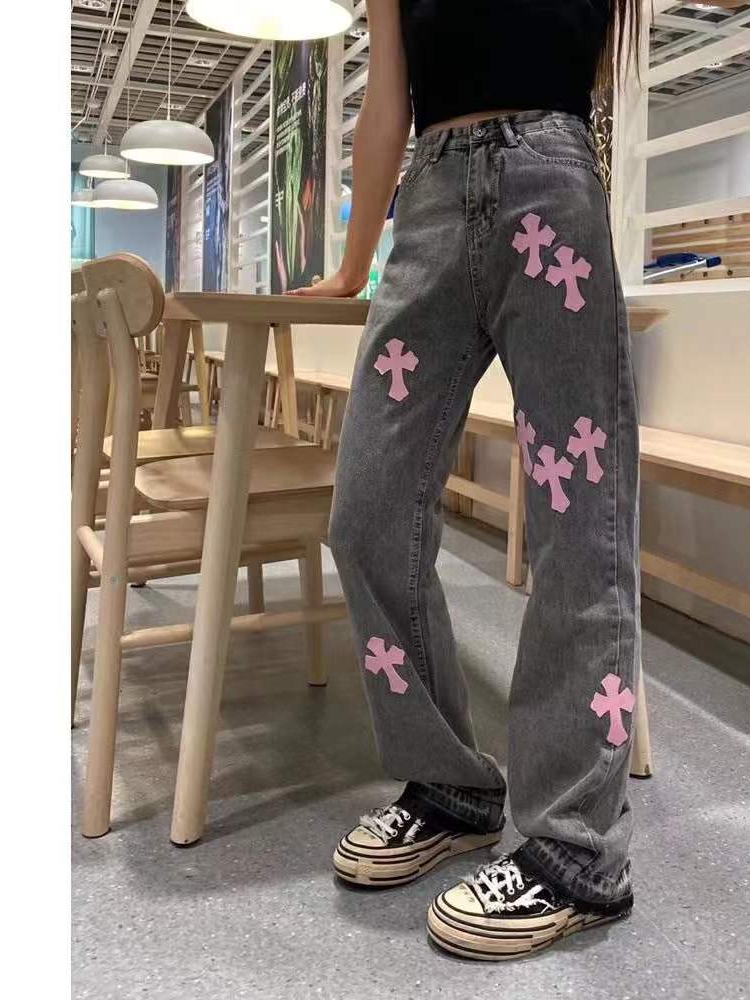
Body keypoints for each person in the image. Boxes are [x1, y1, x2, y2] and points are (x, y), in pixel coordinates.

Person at [291, 0, 642, 960]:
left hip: (550, 180)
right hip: (430, 200)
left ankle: (577, 850)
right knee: (366, 512)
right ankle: (449, 783)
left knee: (581, 524)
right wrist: (354, 262)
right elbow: (388, 98)